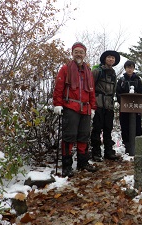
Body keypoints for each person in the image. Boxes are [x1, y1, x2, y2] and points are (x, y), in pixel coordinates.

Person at [53, 42, 97, 177]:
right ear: (72, 53)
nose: (79, 54)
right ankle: (67, 166)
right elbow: (59, 87)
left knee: (84, 135)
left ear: (85, 54)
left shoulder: (88, 71)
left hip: (86, 108)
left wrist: (93, 106)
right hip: (70, 107)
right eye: (76, 51)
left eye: (81, 52)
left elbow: (92, 91)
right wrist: (57, 104)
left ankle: (83, 163)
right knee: (69, 136)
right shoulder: (65, 69)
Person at [90, 50, 120, 161]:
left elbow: (114, 90)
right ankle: (96, 153)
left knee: (108, 129)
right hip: (98, 104)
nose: (111, 59)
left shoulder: (113, 73)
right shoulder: (98, 71)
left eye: (113, 58)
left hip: (109, 106)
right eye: (109, 57)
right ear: (104, 59)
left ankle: (108, 152)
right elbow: (90, 87)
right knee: (97, 129)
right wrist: (92, 104)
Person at [116, 60, 142, 153]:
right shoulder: (121, 80)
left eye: (131, 67)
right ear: (125, 68)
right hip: (124, 108)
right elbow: (118, 93)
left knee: (137, 127)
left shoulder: (137, 80)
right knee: (125, 127)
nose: (129, 69)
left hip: (136, 108)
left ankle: (137, 147)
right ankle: (128, 147)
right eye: (128, 67)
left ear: (133, 68)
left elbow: (141, 93)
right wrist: (124, 102)